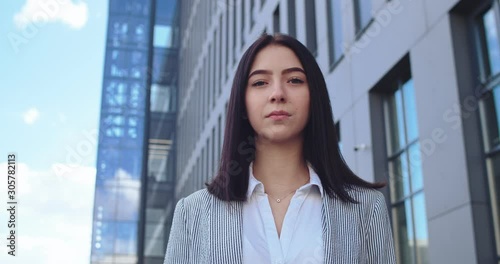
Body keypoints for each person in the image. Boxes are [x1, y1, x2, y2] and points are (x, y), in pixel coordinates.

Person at [164, 33, 396, 264]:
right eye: (260, 83)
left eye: (294, 80)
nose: (277, 94)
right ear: (242, 104)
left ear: (314, 97)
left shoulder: (366, 208)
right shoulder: (192, 213)